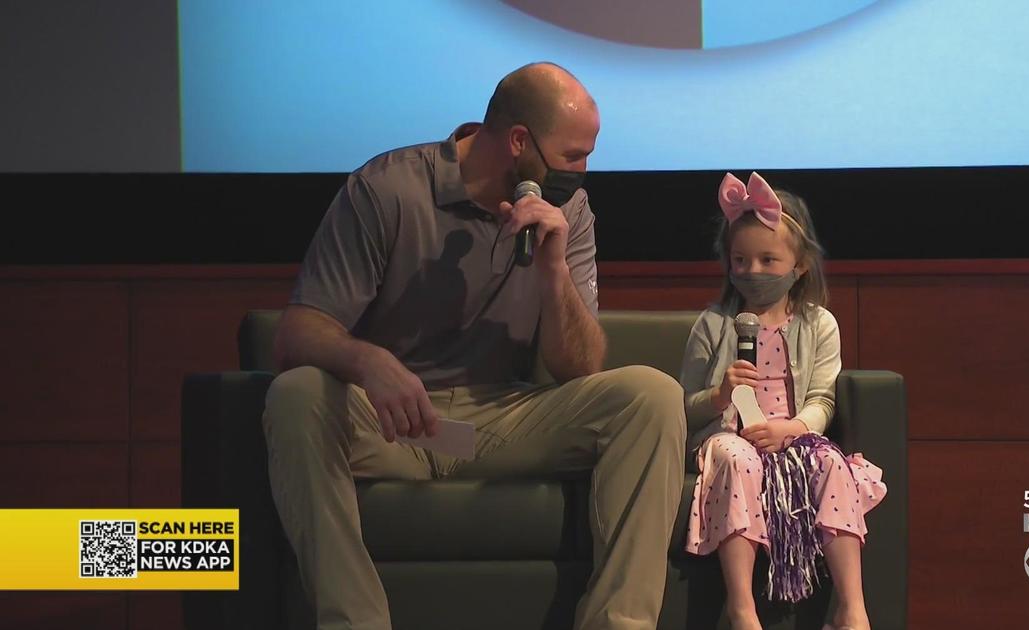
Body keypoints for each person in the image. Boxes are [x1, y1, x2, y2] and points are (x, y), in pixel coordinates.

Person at [261, 62, 685, 630]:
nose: (583, 171)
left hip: (495, 423)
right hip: (396, 421)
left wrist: (554, 268)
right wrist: (369, 360)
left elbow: (578, 368)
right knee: (296, 394)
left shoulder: (571, 211)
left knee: (652, 395)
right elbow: (296, 334)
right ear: (517, 142)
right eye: (572, 156)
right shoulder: (387, 190)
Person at [679, 172, 887, 630]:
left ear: (800, 265)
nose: (752, 272)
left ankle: (851, 608)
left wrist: (791, 428)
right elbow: (683, 405)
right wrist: (718, 396)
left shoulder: (819, 324)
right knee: (739, 460)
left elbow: (822, 400)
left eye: (768, 259)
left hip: (789, 436)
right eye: (741, 260)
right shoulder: (714, 324)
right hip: (729, 438)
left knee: (831, 462)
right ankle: (740, 608)